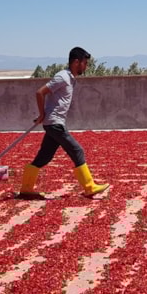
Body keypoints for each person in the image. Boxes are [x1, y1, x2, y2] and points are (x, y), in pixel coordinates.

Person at [18, 47, 109, 199]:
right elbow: (40, 92)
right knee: (77, 150)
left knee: (44, 156)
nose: (86, 66)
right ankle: (89, 186)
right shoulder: (62, 77)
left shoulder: (71, 79)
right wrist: (42, 114)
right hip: (55, 123)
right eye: (85, 63)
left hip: (53, 123)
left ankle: (26, 189)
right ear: (76, 62)